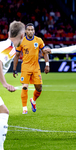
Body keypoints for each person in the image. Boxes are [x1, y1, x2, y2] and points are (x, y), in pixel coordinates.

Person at [13, 23, 50, 114]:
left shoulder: (39, 40)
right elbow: (17, 55)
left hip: (35, 67)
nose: (30, 31)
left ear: (34, 31)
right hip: (25, 67)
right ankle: (24, 108)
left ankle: (33, 101)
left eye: (32, 30)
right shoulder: (21, 41)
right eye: (28, 30)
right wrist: (14, 69)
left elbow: (45, 52)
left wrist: (47, 64)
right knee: (25, 87)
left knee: (39, 88)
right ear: (25, 31)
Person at [0, 21, 25, 150]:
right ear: (22, 36)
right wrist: (4, 83)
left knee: (3, 111)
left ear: (9, 33)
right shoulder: (10, 49)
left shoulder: (4, 44)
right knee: (3, 112)